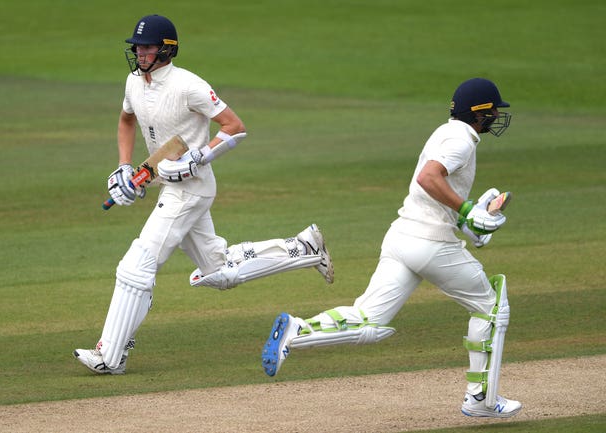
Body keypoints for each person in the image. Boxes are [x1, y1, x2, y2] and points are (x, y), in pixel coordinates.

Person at [74, 14, 333, 375]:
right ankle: (304, 248)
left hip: (191, 190)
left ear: (166, 50)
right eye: (137, 46)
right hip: (168, 184)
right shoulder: (135, 82)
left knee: (137, 265)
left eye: (146, 47)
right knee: (218, 272)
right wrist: (123, 166)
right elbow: (126, 120)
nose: (139, 52)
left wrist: (198, 158)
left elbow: (235, 127)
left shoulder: (188, 85)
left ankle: (110, 356)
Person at [261, 78, 522, 418]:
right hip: (431, 244)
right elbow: (428, 179)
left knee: (371, 321)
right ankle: (482, 400)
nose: (495, 118)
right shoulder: (462, 140)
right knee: (491, 307)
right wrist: (467, 211)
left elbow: (434, 196)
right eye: (493, 112)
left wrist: (471, 220)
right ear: (481, 113)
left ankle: (297, 331)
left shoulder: (445, 133)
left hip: (402, 236)